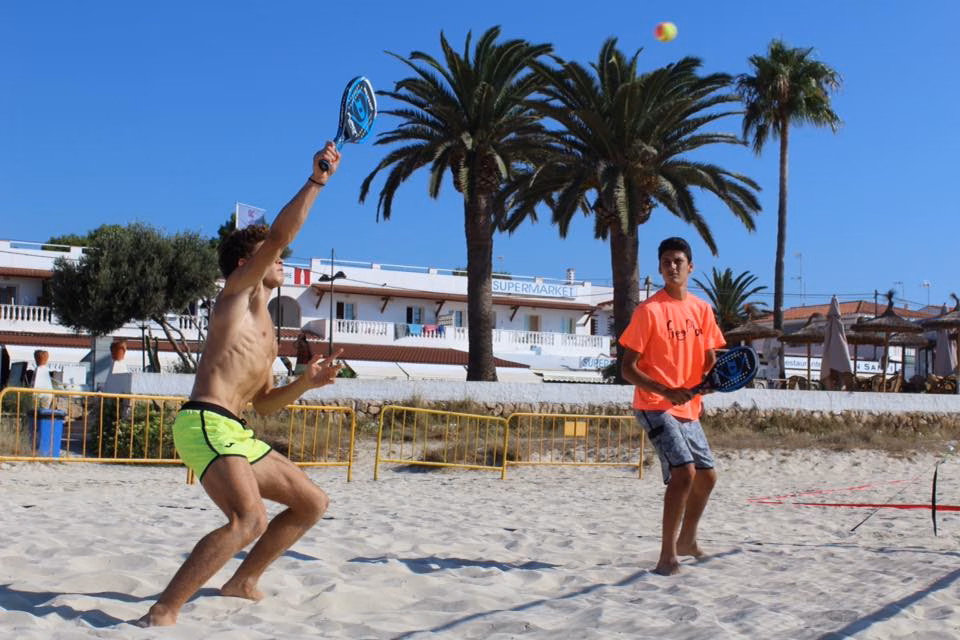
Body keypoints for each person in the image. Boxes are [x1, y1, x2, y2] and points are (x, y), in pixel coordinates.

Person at [139, 143, 345, 626]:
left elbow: (266, 405)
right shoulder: (235, 296)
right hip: (205, 422)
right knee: (248, 521)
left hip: (237, 429)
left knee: (312, 503)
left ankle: (241, 581)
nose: (279, 259)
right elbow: (278, 235)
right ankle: (164, 610)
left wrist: (305, 383)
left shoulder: (268, 331)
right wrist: (316, 181)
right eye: (267, 257)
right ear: (243, 265)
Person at [618, 237, 726, 576]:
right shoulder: (649, 311)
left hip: (688, 407)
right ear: (660, 268)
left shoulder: (702, 310)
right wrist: (666, 389)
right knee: (684, 473)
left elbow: (711, 359)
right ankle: (667, 557)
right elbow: (627, 368)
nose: (672, 266)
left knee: (707, 477)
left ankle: (687, 541)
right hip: (654, 405)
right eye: (666, 261)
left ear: (690, 266)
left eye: (679, 260)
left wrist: (712, 379)